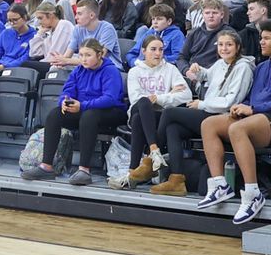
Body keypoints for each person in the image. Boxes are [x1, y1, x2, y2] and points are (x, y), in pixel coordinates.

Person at [195, 17, 271, 225]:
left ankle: (252, 193)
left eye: (266, 38)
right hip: (257, 118)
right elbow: (253, 98)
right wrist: (241, 107)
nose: (261, 42)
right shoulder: (262, 67)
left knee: (238, 129)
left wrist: (254, 109)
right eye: (261, 38)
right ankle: (219, 184)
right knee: (209, 124)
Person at [149, 29, 255, 196]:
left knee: (169, 113)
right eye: (220, 45)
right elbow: (207, 76)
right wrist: (197, 70)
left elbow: (230, 101)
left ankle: (151, 158)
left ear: (238, 47)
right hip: (208, 112)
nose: (224, 48)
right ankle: (177, 179)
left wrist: (202, 104)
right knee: (173, 128)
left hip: (223, 117)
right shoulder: (221, 63)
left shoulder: (243, 68)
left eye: (228, 45)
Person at [22, 38, 125, 186]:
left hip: (111, 111)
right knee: (55, 114)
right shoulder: (79, 70)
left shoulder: (111, 70)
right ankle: (46, 166)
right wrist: (64, 102)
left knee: (89, 115)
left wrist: (82, 106)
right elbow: (67, 90)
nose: (83, 59)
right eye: (81, 55)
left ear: (99, 54)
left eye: (88, 55)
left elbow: (109, 98)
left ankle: (84, 170)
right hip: (84, 109)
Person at [119, 34, 191, 186]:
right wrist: (170, 93)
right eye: (153, 49)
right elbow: (136, 99)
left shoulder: (170, 69)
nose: (158, 53)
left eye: (161, 49)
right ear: (143, 51)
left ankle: (132, 172)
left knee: (140, 118)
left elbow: (186, 95)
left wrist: (159, 98)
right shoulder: (134, 71)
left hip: (159, 116)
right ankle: (154, 151)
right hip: (138, 109)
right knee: (143, 103)